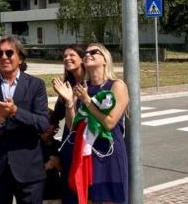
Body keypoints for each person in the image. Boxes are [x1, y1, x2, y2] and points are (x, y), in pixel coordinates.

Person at [0, 35, 50, 204]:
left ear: (20, 58)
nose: (4, 57)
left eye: (9, 53)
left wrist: (15, 112)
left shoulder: (36, 85)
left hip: (29, 169)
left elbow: (43, 123)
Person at [54, 43, 129, 204]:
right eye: (86, 53)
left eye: (94, 52)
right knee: (88, 199)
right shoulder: (82, 88)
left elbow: (109, 123)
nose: (88, 54)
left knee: (110, 199)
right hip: (87, 154)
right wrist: (68, 102)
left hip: (109, 152)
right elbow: (72, 126)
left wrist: (87, 101)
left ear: (105, 60)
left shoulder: (116, 85)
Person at [52, 45, 85, 204]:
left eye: (72, 55)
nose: (67, 58)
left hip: (86, 141)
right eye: (64, 56)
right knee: (69, 186)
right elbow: (57, 116)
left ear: (82, 58)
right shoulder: (67, 84)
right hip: (69, 140)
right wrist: (61, 98)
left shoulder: (90, 83)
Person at [41, 109, 62, 204]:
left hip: (56, 194)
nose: (49, 128)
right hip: (39, 195)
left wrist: (58, 165)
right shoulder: (33, 147)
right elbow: (26, 171)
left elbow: (66, 170)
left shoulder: (58, 145)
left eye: (51, 124)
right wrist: (46, 166)